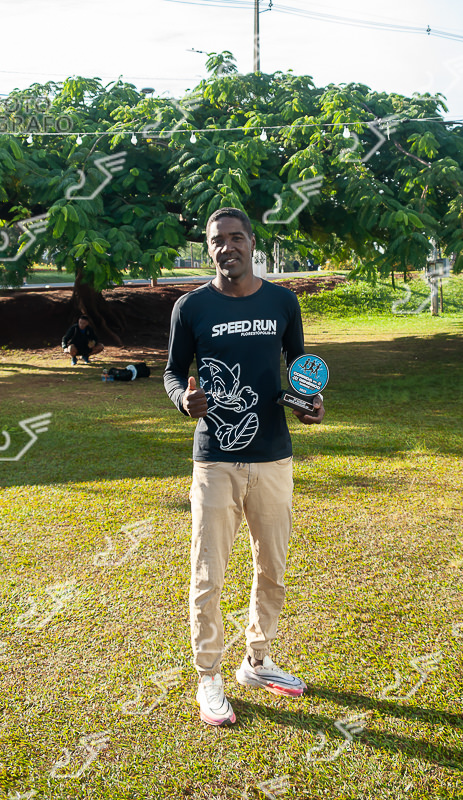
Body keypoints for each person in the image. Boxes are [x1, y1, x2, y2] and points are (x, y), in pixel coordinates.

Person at [164, 207, 325, 727]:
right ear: (208, 247)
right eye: (217, 240)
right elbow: (172, 373)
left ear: (252, 243)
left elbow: (299, 370)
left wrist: (310, 402)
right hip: (216, 459)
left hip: (274, 456)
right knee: (208, 573)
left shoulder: (282, 301)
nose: (227, 247)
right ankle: (208, 675)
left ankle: (257, 661)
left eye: (236, 238)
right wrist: (183, 400)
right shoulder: (191, 307)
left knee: (272, 568)